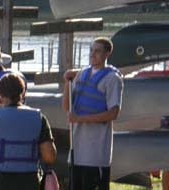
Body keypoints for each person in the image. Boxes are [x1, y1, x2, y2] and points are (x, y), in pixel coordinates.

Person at [0, 73, 57, 190]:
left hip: (0, 183)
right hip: (29, 182)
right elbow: (50, 156)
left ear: (0, 94)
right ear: (22, 93)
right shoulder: (39, 118)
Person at [62, 37, 124, 190]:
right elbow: (66, 107)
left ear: (107, 54)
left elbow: (113, 114)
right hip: (76, 152)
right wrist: (66, 83)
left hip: (95, 154)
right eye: (91, 50)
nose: (92, 54)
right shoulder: (82, 74)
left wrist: (80, 118)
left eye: (97, 51)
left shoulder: (112, 79)